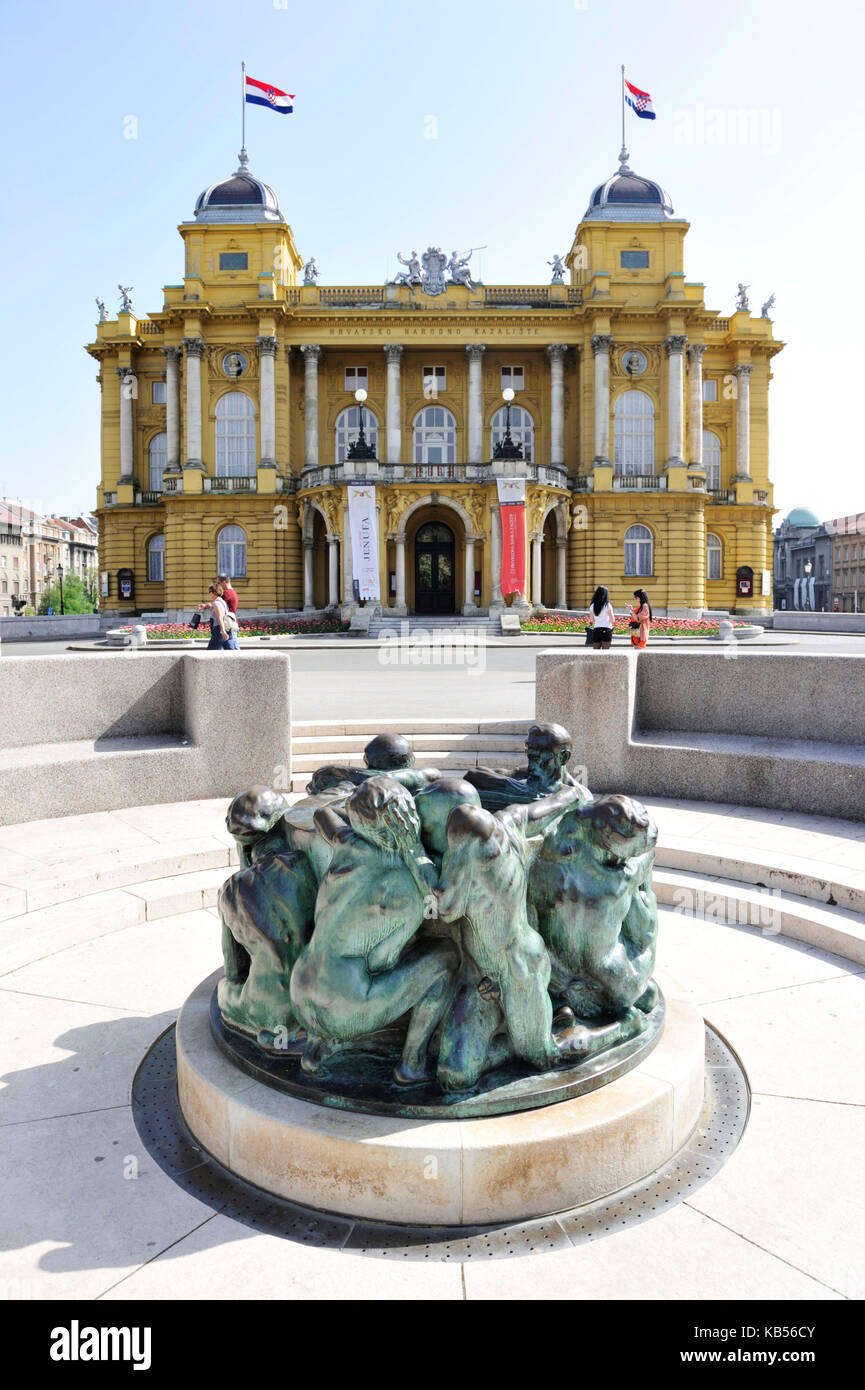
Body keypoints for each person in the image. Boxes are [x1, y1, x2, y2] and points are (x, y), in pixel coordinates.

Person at [202, 582, 237, 651]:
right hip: (227, 628)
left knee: (210, 652)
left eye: (209, 591)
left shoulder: (216, 603)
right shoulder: (222, 602)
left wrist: (223, 631)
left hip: (219, 630)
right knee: (231, 651)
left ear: (213, 592)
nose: (209, 594)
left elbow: (220, 618)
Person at [587, 585, 615, 650]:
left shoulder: (592, 605)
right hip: (606, 629)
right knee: (605, 652)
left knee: (596, 652)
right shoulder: (607, 605)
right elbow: (612, 620)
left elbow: (591, 620)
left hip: (596, 629)